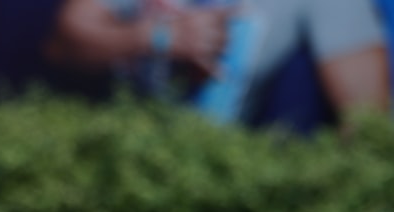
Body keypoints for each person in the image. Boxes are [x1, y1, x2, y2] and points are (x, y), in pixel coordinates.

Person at [48, 0, 391, 129]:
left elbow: (368, 124)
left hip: (227, 173)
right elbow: (65, 42)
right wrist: (157, 37)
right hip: (120, 151)